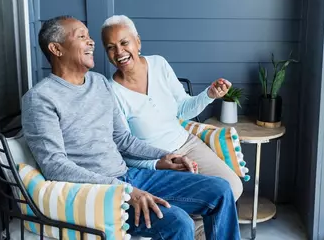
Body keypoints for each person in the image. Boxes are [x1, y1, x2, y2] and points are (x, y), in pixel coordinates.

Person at [22, 15, 240, 240]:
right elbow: (55, 166)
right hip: (99, 195)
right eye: (81, 37)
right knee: (179, 222)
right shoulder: (40, 99)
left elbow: (122, 139)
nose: (91, 42)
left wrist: (166, 155)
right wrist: (123, 191)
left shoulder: (98, 83)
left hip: (129, 177)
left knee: (221, 190)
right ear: (56, 49)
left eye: (89, 36)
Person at [101, 15, 244, 200]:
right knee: (198, 202)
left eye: (124, 42)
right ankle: (196, 227)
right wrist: (158, 163)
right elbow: (123, 149)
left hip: (188, 145)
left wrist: (209, 95)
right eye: (111, 48)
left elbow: (183, 110)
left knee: (233, 187)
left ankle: (199, 227)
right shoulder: (111, 91)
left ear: (138, 42)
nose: (119, 52)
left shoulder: (159, 64)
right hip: (157, 163)